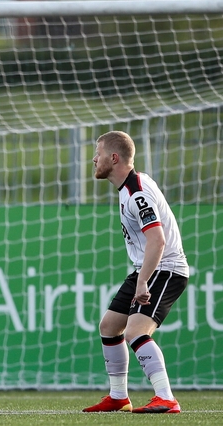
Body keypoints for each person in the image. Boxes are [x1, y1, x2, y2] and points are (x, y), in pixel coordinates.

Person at [83, 131, 188, 414]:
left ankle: (166, 397)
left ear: (114, 158)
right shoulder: (129, 188)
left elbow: (158, 240)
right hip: (147, 267)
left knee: (135, 331)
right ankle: (118, 396)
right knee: (109, 326)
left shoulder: (137, 192)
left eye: (99, 152)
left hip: (165, 268)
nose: (94, 159)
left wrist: (143, 282)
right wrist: (141, 276)